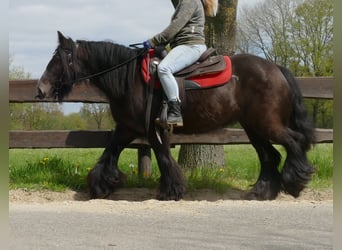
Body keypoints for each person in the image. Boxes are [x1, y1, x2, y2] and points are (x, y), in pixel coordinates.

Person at [143, 0, 218, 127]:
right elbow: (179, 29)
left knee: (164, 69)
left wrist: (154, 41)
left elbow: (176, 26)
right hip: (184, 45)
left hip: (190, 46)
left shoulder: (190, 1)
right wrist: (162, 44)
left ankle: (175, 112)